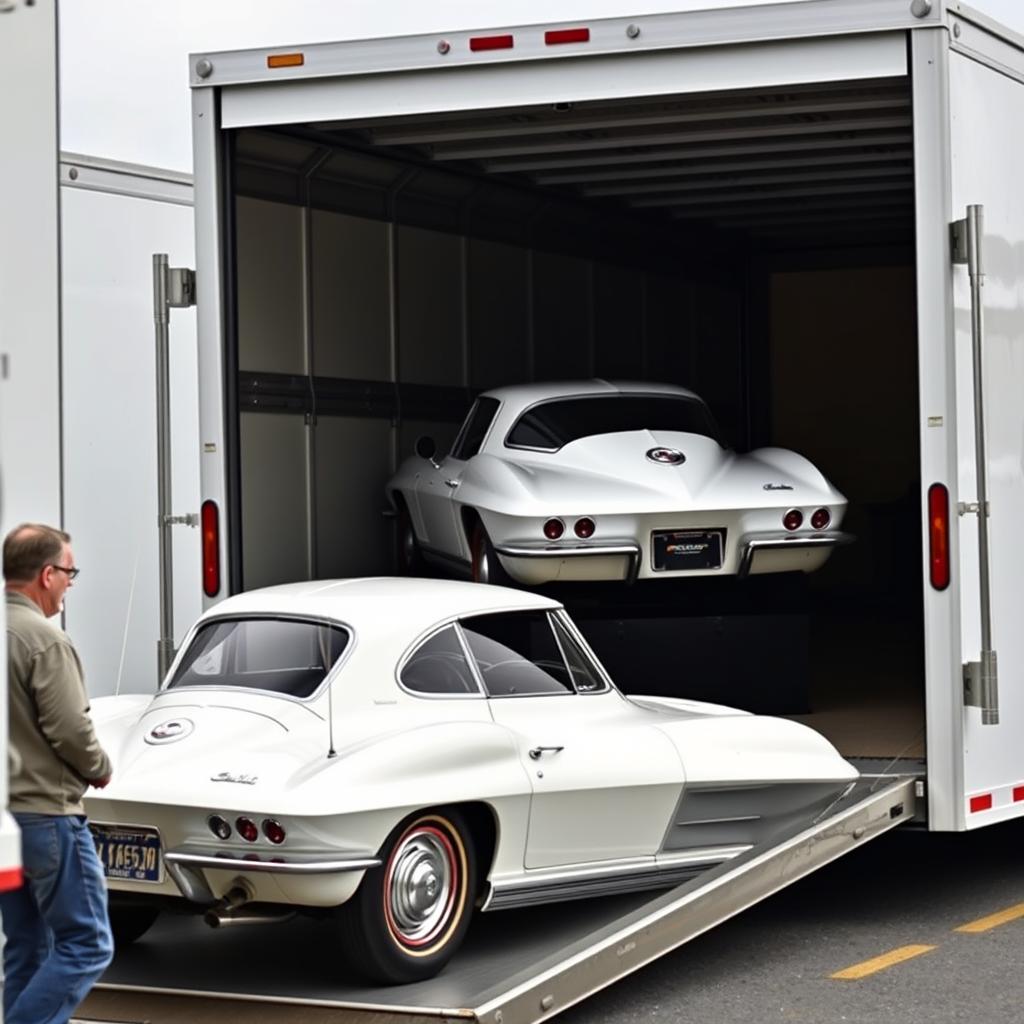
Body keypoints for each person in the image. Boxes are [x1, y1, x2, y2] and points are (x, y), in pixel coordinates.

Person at [1, 523, 114, 1024]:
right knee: (88, 944)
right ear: (47, 575)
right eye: (70, 572)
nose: (70, 583)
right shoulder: (44, 640)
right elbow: (70, 728)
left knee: (27, 946)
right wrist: (100, 768)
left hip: (5, 823)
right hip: (47, 816)